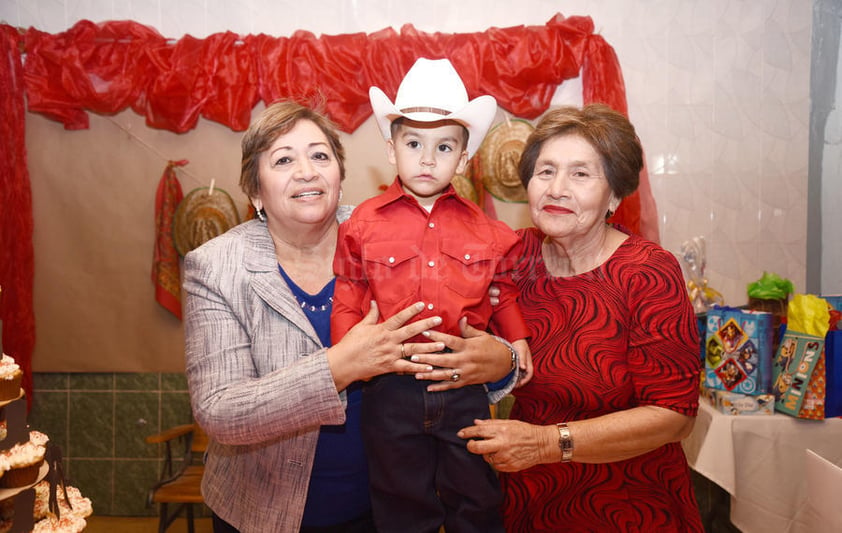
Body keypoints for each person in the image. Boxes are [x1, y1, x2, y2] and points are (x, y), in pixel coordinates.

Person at [182, 100, 519, 533]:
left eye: (320, 156)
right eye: (284, 159)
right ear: (254, 190)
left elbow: (475, 308)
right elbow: (219, 411)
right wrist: (341, 365)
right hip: (266, 513)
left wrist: (503, 362)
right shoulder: (215, 266)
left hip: (385, 507)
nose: (306, 171)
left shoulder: (381, 229)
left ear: (340, 179)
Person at [458, 104, 704, 532]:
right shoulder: (514, 256)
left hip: (628, 506)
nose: (557, 189)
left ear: (613, 195)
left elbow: (674, 416)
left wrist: (547, 443)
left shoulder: (647, 272)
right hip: (529, 499)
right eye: (546, 171)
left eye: (580, 174)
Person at [331, 57, 532, 533]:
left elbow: (502, 292)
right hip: (389, 386)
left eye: (443, 146)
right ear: (391, 148)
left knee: (476, 501)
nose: (427, 158)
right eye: (414, 143)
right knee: (401, 504)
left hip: (464, 386)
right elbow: (350, 290)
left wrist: (517, 340)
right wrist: (345, 353)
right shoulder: (362, 223)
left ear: (463, 157)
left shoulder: (490, 231)